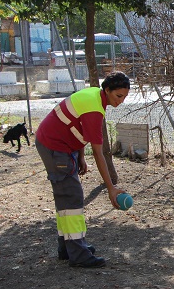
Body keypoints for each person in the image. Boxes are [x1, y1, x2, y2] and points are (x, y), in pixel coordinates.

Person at [35, 71, 131, 268]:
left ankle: (68, 247)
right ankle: (78, 254)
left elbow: (76, 125)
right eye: (118, 96)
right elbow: (99, 153)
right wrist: (111, 188)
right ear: (107, 90)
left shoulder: (95, 96)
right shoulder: (94, 109)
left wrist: (79, 156)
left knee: (66, 199)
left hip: (58, 145)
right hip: (55, 147)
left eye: (124, 97)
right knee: (72, 198)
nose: (121, 101)